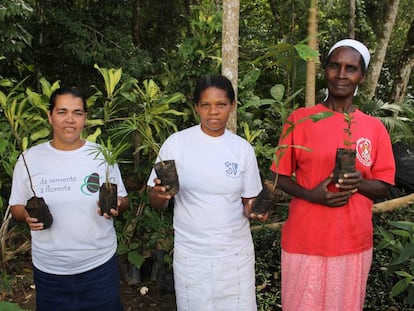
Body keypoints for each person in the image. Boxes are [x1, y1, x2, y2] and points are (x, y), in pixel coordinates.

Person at [272, 39, 396, 310]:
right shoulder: (301, 119)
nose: (341, 74)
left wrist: (359, 182)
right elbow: (280, 177)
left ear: (361, 76)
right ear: (325, 70)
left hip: (352, 242)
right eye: (335, 66)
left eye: (351, 68)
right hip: (304, 239)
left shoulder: (374, 129)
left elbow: (384, 186)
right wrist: (311, 195)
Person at [147, 74, 268, 311]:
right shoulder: (176, 144)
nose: (214, 112)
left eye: (221, 105)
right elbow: (155, 199)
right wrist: (160, 196)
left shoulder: (242, 149)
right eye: (206, 105)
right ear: (196, 108)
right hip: (192, 254)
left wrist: (258, 211)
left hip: (235, 255)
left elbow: (248, 202)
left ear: (232, 106)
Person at [9, 86, 129, 311]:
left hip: (99, 266)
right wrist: (26, 215)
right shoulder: (30, 159)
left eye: (78, 113)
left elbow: (123, 198)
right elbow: (16, 206)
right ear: (50, 116)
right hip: (50, 271)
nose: (70, 120)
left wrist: (117, 206)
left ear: (85, 118)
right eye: (62, 112)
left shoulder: (102, 156)